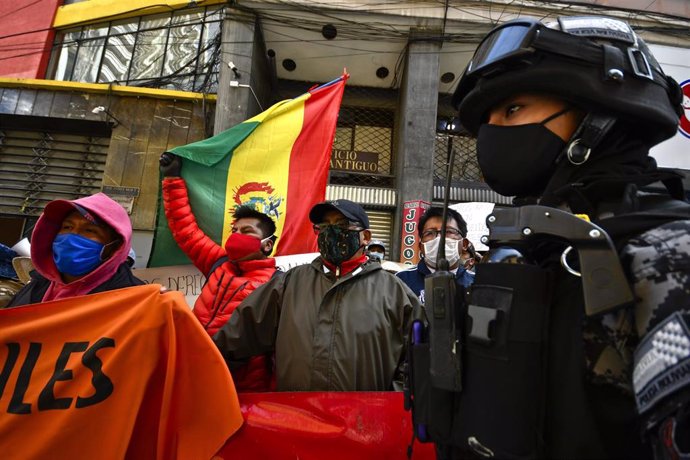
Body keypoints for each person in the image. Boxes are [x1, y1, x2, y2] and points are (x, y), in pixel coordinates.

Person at [444, 14, 689, 459]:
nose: (494, 130)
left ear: (600, 111)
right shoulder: (535, 248)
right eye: (488, 120)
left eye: (513, 108)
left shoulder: (670, 253)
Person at [213, 199, 424, 391]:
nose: (331, 232)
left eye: (341, 225)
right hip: (297, 421)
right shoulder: (288, 284)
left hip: (364, 426)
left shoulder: (394, 292)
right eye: (323, 227)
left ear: (365, 236)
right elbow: (234, 339)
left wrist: (390, 405)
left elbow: (418, 361)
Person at [160, 152, 278, 392]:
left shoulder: (278, 286)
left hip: (241, 387)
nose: (237, 236)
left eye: (247, 231)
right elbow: (185, 229)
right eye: (235, 230)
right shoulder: (218, 262)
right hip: (190, 370)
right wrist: (172, 179)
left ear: (267, 244)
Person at [8, 193, 144, 307]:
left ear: (114, 246)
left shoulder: (133, 303)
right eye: (67, 227)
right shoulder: (34, 287)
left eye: (89, 230)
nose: (72, 236)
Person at [397, 207, 474, 304]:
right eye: (429, 233)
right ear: (420, 246)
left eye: (448, 231)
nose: (439, 239)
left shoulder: (478, 283)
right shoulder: (401, 281)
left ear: (464, 244)